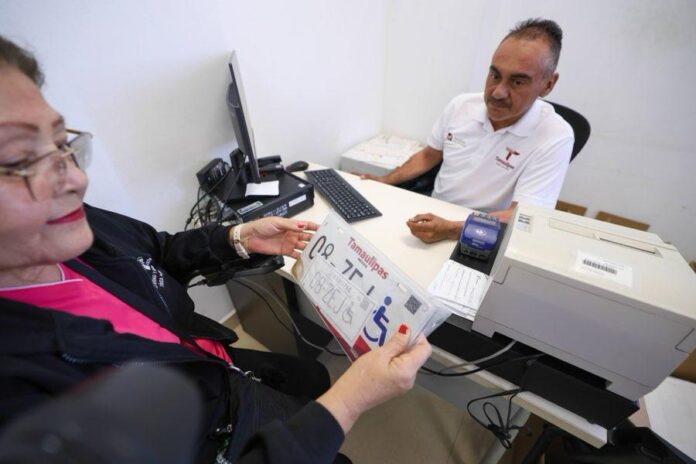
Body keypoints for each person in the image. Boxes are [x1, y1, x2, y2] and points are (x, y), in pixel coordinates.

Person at [0, 36, 432, 463]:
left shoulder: (75, 231)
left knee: (314, 374)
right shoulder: (20, 406)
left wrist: (238, 238)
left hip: (212, 366)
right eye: (20, 161)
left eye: (62, 144)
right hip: (214, 437)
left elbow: (158, 251)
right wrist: (349, 403)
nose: (77, 180)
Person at [360, 18, 574, 243]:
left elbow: (522, 217)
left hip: (483, 232)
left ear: (548, 84)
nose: (498, 92)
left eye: (517, 82)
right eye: (495, 75)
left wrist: (451, 229)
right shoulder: (462, 105)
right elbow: (429, 155)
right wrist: (386, 180)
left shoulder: (555, 136)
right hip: (430, 213)